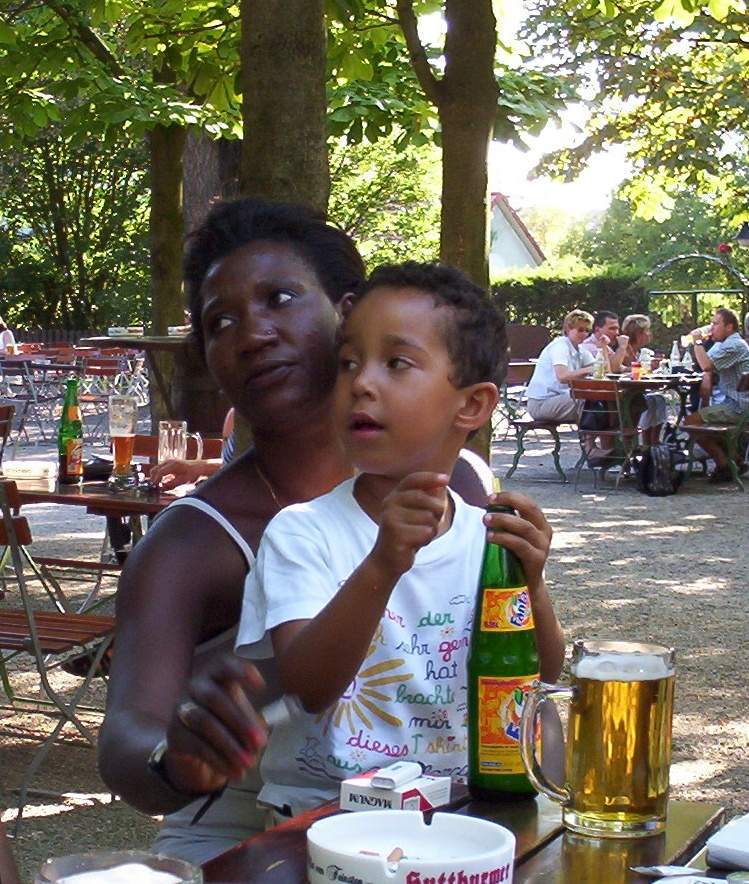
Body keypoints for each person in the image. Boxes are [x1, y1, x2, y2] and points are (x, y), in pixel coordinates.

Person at [97, 200, 532, 864]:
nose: (252, 334)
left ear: (346, 311)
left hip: (430, 825)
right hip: (249, 840)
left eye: (280, 298)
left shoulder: (462, 483)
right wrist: (174, 758)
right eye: (220, 323)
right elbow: (126, 742)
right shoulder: (192, 541)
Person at [235, 261, 565, 816]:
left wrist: (533, 585)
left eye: (396, 363)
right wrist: (383, 564)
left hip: (463, 812)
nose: (361, 383)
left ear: (472, 405)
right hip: (324, 819)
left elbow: (539, 681)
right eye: (348, 363)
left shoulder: (487, 538)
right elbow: (308, 687)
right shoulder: (303, 532)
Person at [684, 307, 749, 482]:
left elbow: (706, 365)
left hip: (739, 407)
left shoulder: (735, 345)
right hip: (734, 402)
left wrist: (698, 341)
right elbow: (705, 364)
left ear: (729, 327)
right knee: (699, 419)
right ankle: (734, 459)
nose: (711, 328)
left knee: (690, 422)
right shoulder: (723, 343)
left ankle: (724, 464)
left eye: (716, 324)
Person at [525, 309, 595, 423]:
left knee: (602, 398)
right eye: (580, 330)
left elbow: (602, 369)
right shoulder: (560, 346)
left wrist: (604, 347)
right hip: (541, 403)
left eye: (587, 331)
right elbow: (562, 377)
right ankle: (590, 434)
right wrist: (587, 370)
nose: (584, 334)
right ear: (568, 329)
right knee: (587, 400)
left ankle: (604, 432)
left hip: (561, 398)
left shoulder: (580, 350)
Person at [619, 314, 666, 445]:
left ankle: (652, 444)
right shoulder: (625, 350)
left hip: (637, 391)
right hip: (625, 394)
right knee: (651, 400)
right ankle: (647, 444)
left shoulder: (639, 351)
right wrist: (645, 368)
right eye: (647, 330)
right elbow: (621, 369)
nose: (649, 334)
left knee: (659, 399)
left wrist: (651, 368)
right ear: (638, 333)